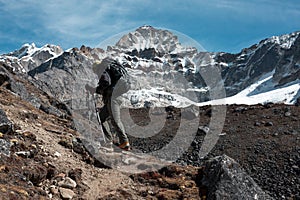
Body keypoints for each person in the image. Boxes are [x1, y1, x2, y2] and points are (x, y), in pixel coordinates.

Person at [86, 58, 131, 151]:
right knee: (100, 118)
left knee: (115, 120)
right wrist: (95, 89)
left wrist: (94, 89)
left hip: (113, 98)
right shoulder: (110, 70)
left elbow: (106, 83)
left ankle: (124, 142)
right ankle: (109, 141)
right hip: (112, 98)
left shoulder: (102, 70)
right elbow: (106, 86)